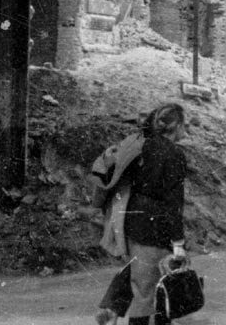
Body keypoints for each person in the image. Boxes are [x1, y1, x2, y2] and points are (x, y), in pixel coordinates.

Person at [96, 103, 189, 325]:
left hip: (129, 220)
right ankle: (115, 311)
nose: (187, 131)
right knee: (147, 293)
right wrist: (178, 243)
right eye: (185, 126)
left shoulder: (139, 146)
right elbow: (174, 203)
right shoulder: (174, 154)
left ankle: (111, 309)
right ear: (176, 127)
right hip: (154, 227)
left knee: (140, 278)